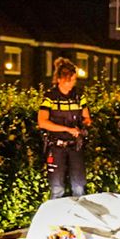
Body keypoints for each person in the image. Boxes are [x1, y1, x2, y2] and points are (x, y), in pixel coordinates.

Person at [37, 58, 91, 199]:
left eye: (74, 80)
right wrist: (67, 129)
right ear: (60, 79)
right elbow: (42, 122)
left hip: (75, 146)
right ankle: (56, 219)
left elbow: (87, 117)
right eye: (70, 81)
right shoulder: (50, 97)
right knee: (57, 188)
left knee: (79, 186)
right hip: (56, 146)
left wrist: (84, 124)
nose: (72, 84)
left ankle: (78, 219)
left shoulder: (78, 96)